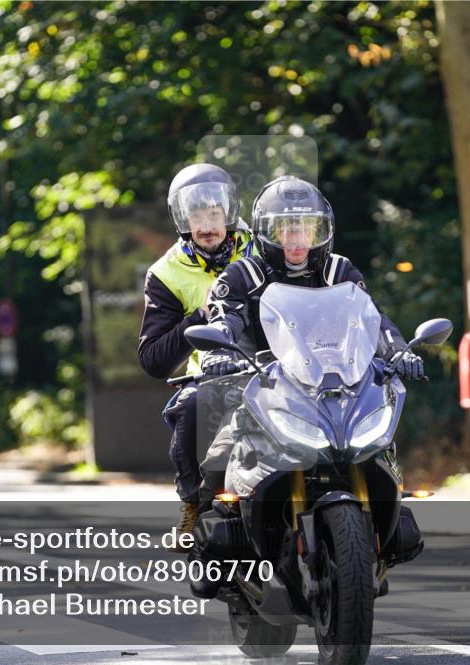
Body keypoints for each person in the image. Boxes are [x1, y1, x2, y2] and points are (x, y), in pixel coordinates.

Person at [197, 175, 424, 507]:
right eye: (285, 230)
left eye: (307, 229)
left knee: (379, 442)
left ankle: (390, 508)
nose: (297, 240)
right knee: (222, 452)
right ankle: (199, 512)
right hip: (261, 385)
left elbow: (371, 319)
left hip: (336, 385)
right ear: (265, 233)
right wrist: (219, 351)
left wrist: (399, 351)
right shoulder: (242, 275)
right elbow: (224, 319)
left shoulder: (339, 271)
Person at [137, 163, 253, 549]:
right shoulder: (166, 273)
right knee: (190, 405)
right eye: (196, 217)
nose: (206, 226)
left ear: (229, 213)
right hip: (213, 378)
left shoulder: (262, 250)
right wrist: (199, 316)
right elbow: (153, 359)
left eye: (214, 214)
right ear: (182, 220)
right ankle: (194, 504)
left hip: (277, 369)